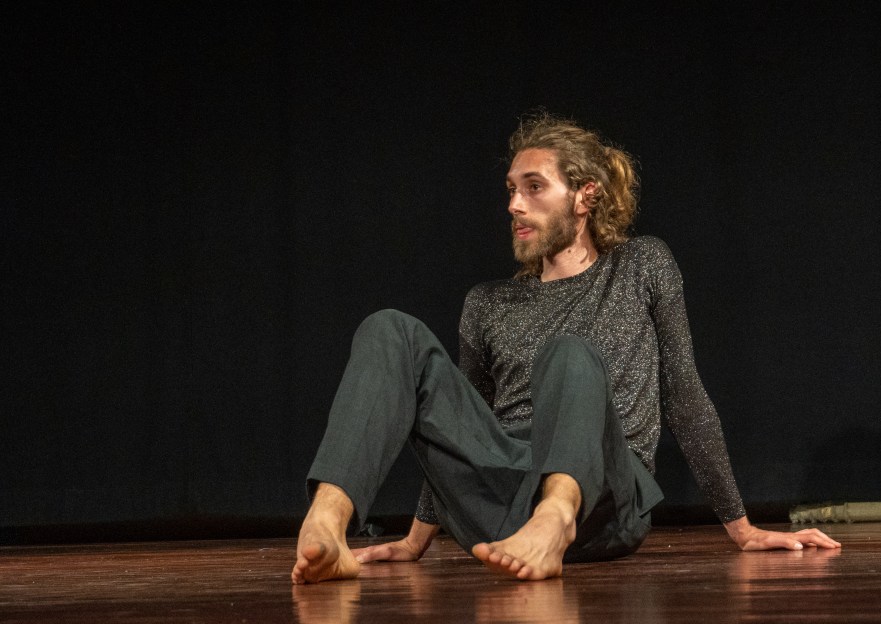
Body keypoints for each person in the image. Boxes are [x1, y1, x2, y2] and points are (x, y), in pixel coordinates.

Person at [292, 114, 839, 584]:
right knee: (390, 329)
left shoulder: (641, 265)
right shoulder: (487, 302)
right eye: (511, 189)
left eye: (534, 187)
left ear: (585, 195)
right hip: (501, 499)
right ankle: (327, 523)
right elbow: (456, 426)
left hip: (604, 502)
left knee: (568, 353)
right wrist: (415, 541)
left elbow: (684, 397)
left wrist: (742, 528)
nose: (515, 204)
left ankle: (554, 519)